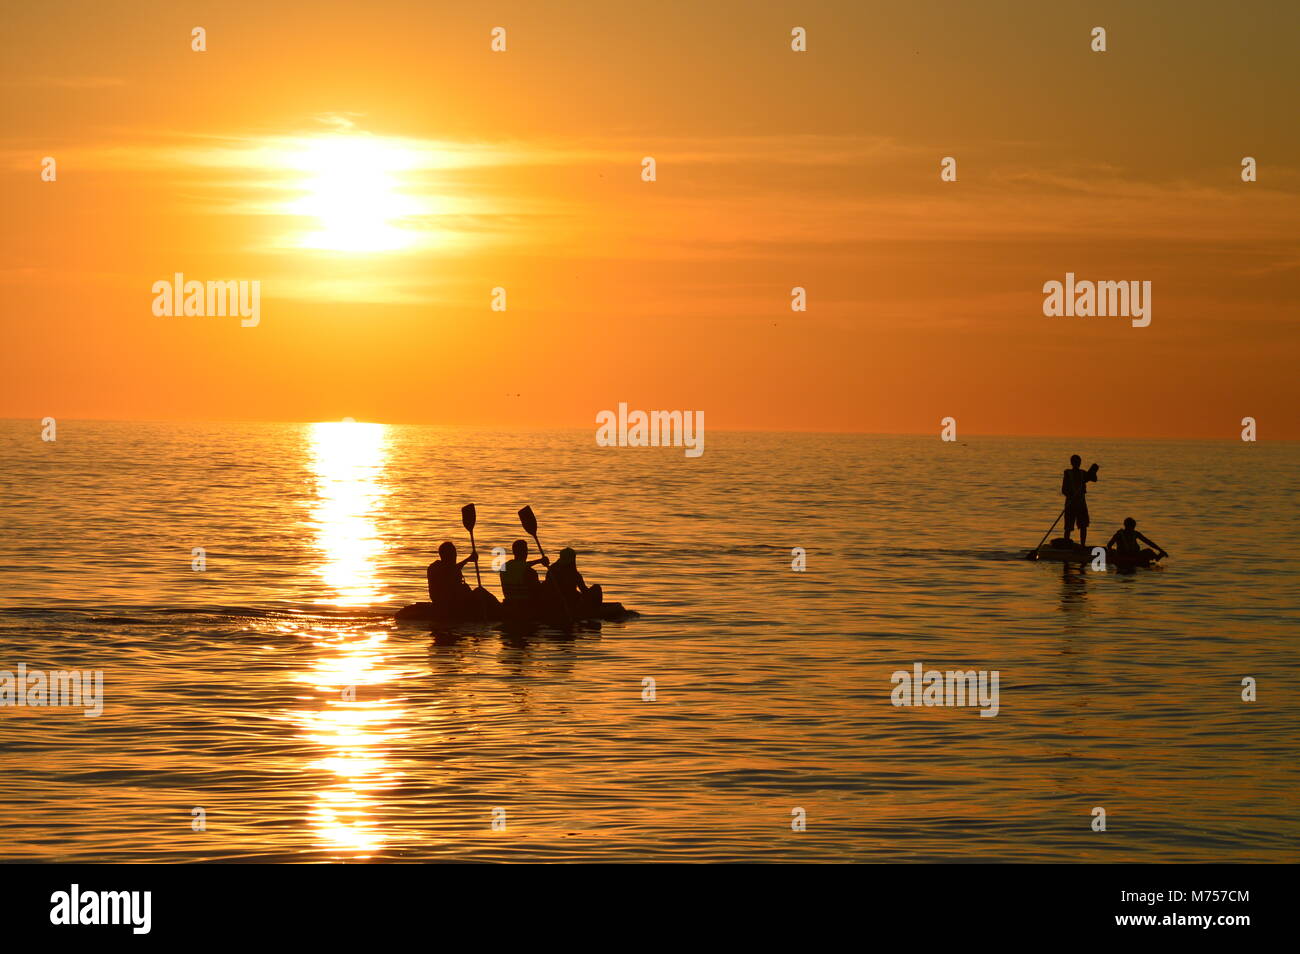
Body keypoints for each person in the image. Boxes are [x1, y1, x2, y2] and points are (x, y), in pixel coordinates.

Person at [427, 542, 497, 615]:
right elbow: (448, 572)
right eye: (453, 555)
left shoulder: (451, 568)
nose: (455, 557)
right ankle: (501, 611)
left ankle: (498, 608)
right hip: (447, 604)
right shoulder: (435, 568)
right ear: (446, 556)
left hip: (458, 600)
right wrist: (468, 560)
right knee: (480, 591)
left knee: (479, 591)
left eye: (455, 554)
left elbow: (452, 570)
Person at [545, 547, 604, 616]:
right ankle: (594, 610)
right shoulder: (574, 574)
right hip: (569, 602)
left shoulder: (551, 569)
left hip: (555, 600)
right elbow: (584, 591)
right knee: (596, 588)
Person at [1061, 455, 1099, 546]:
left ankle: (1083, 545)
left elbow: (1094, 479)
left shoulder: (1083, 473)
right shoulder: (1068, 473)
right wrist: (1071, 495)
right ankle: (1066, 544)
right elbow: (1064, 490)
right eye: (1075, 462)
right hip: (1070, 503)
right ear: (1072, 463)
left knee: (1083, 525)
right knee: (1068, 526)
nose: (1077, 464)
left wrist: (1093, 471)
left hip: (1081, 503)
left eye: (1078, 462)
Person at [500, 539, 550, 604]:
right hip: (525, 604)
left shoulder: (504, 567)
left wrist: (539, 561)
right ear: (526, 552)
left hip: (509, 601)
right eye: (526, 550)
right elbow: (538, 591)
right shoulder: (529, 571)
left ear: (514, 552)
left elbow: (520, 565)